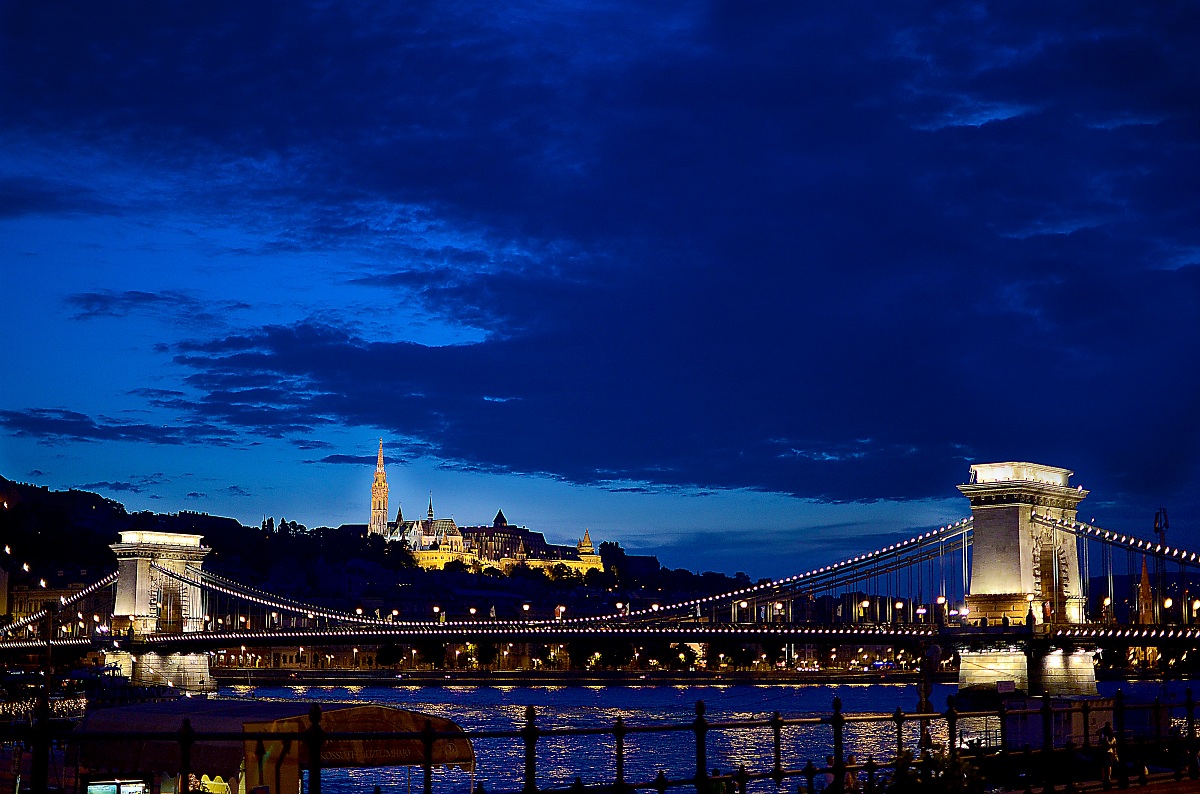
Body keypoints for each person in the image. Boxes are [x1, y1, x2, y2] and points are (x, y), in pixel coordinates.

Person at [1098, 722, 1118, 788]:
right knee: (1109, 765)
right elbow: (1114, 745)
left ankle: (1104, 778)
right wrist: (1115, 755)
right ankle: (1108, 778)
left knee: (1103, 765)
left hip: (1104, 751)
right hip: (1110, 751)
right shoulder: (1112, 736)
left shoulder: (1103, 735)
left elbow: (1097, 732)